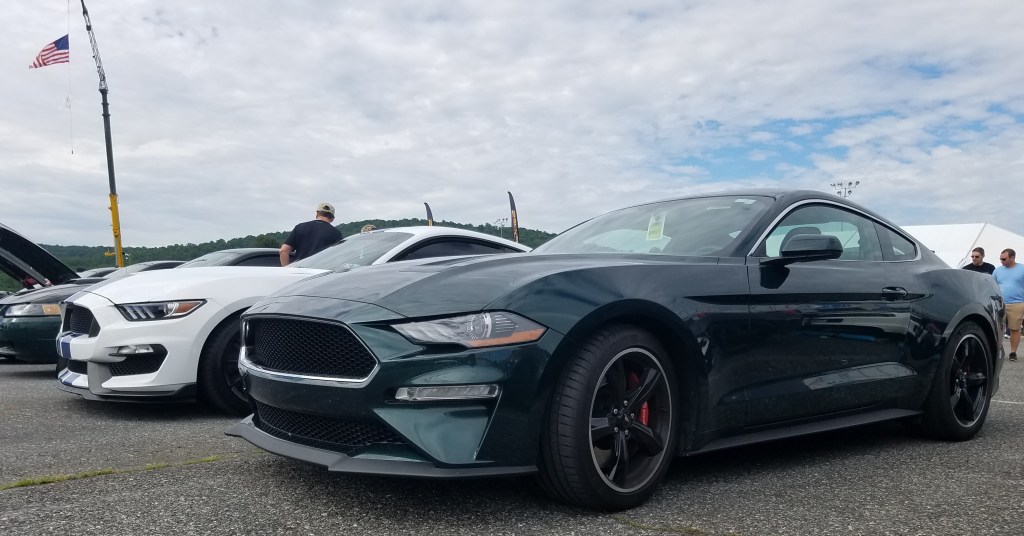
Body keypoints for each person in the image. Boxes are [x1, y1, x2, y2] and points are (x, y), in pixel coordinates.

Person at [994, 248, 1024, 361]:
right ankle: (996, 352)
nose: (1001, 261)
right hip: (1000, 303)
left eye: (1004, 259)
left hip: (1017, 303)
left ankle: (1013, 352)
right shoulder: (997, 271)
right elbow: (993, 285)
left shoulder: (1022, 269)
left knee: (1014, 329)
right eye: (1000, 259)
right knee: (997, 328)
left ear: (1012, 257)